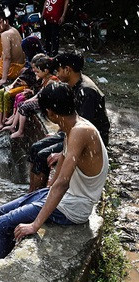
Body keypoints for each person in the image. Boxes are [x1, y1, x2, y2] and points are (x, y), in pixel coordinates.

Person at [0, 83, 108, 263]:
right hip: (67, 198)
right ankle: (7, 254)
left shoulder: (80, 131)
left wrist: (35, 224)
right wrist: (47, 189)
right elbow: (63, 155)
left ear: (51, 113)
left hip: (73, 206)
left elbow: (63, 183)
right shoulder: (74, 126)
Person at [27, 52, 110, 191]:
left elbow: (83, 129)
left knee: (43, 156)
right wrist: (59, 133)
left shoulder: (86, 91)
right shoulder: (72, 85)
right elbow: (71, 118)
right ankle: (32, 191)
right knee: (35, 148)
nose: (57, 74)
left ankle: (40, 195)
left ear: (67, 69)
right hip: (73, 133)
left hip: (91, 140)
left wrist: (63, 153)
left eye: (58, 70)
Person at [1, 55, 59, 138]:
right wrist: (31, 92)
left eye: (37, 72)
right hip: (42, 100)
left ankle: (20, 131)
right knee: (21, 104)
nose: (36, 74)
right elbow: (39, 92)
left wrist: (30, 100)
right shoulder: (44, 78)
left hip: (47, 103)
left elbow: (40, 94)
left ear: (46, 71)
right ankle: (13, 126)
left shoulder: (51, 80)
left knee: (24, 106)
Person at [0, 67, 37, 135]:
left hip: (26, 87)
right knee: (0, 92)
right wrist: (11, 85)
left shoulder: (38, 73)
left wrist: (25, 84)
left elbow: (35, 86)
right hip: (18, 85)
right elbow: (19, 77)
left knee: (7, 94)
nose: (34, 69)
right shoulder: (29, 70)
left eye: (35, 67)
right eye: (33, 67)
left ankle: (4, 120)